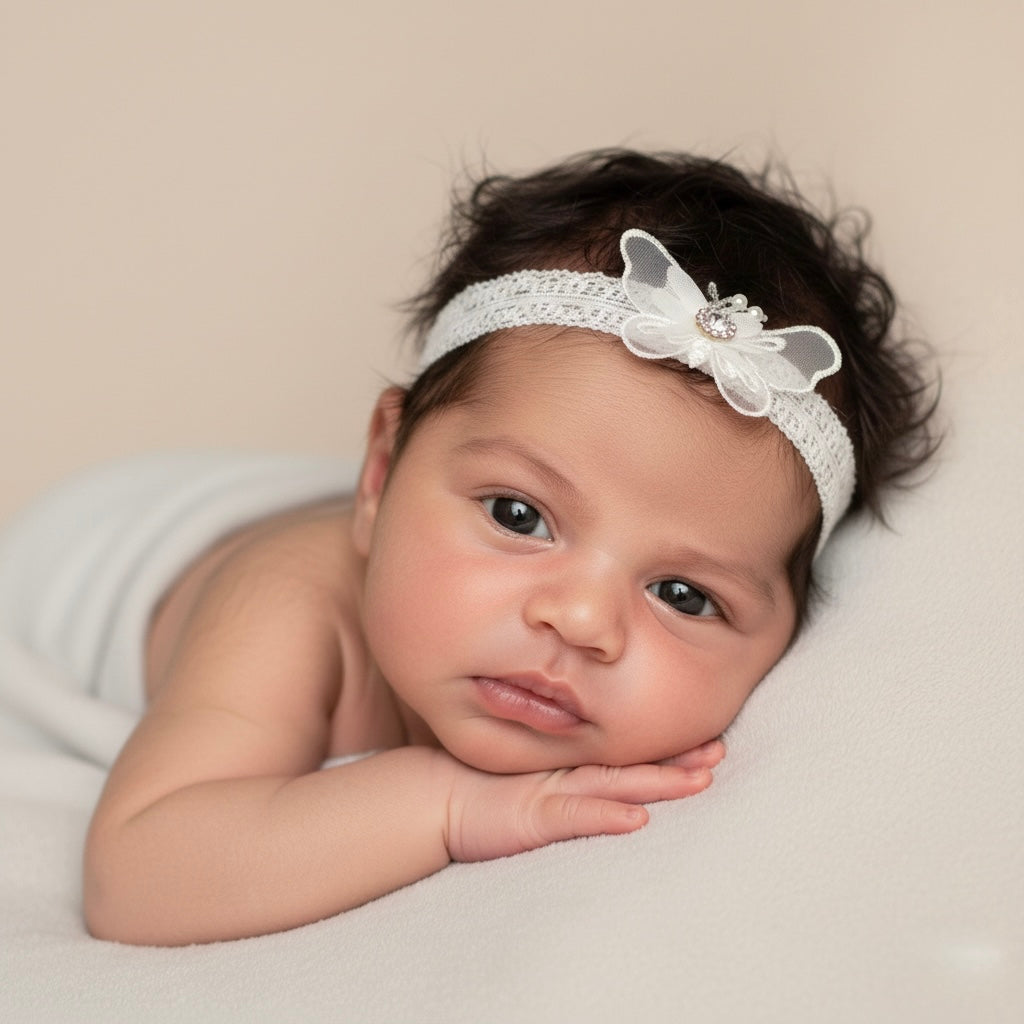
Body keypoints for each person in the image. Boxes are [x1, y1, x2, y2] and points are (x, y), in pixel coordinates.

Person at [74, 149, 936, 945]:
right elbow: (139, 877)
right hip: (101, 536)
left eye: (683, 594)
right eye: (518, 516)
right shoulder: (290, 606)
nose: (580, 619)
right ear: (379, 471)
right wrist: (447, 804)